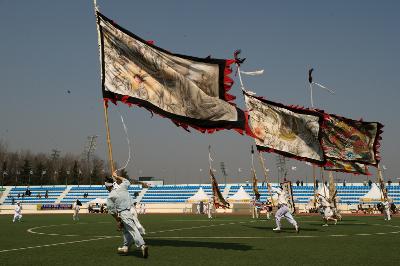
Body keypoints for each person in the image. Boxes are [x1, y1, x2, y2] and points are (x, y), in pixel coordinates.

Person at [105, 174, 148, 258]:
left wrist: (118, 220)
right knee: (125, 230)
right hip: (132, 210)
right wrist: (117, 176)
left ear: (107, 187)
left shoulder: (110, 196)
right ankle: (125, 247)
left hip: (124, 213)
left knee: (132, 229)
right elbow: (127, 181)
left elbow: (112, 211)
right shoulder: (122, 187)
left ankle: (142, 245)